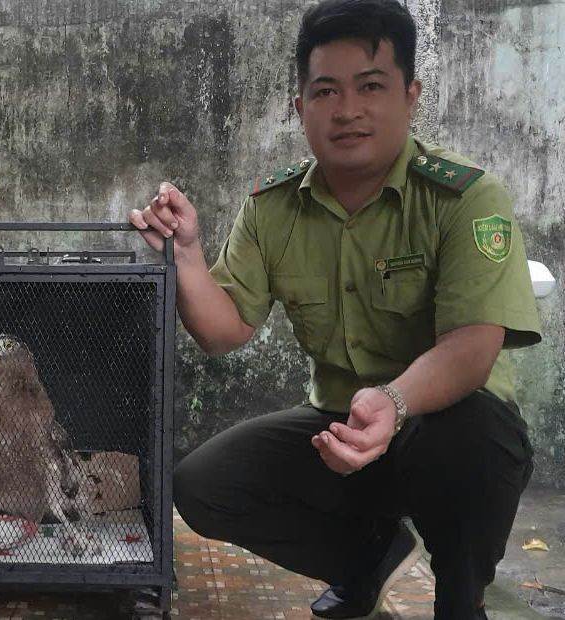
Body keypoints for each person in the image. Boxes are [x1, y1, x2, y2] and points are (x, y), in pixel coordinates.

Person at [129, 1, 542, 619]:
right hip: (338, 428)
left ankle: (461, 600)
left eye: (370, 86)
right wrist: (187, 254)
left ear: (410, 95)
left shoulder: (465, 197)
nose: (347, 110)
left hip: (446, 426)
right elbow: (223, 331)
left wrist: (394, 402)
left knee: (471, 437)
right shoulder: (272, 207)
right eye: (325, 91)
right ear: (300, 108)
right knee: (203, 485)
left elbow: (472, 346)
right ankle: (364, 560)